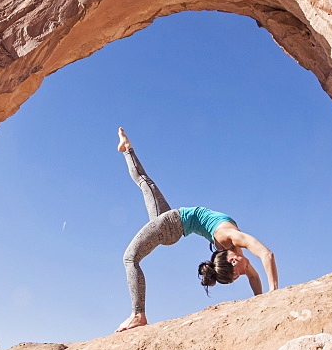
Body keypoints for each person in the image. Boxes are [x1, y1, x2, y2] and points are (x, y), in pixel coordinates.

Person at [114, 127, 278, 332]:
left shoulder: (233, 251)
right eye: (238, 274)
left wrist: (262, 302)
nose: (243, 273)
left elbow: (253, 275)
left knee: (130, 257)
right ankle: (126, 148)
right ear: (232, 260)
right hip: (172, 223)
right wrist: (272, 296)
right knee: (144, 183)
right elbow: (266, 255)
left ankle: (138, 315)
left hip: (172, 225)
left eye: (237, 275)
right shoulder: (232, 238)